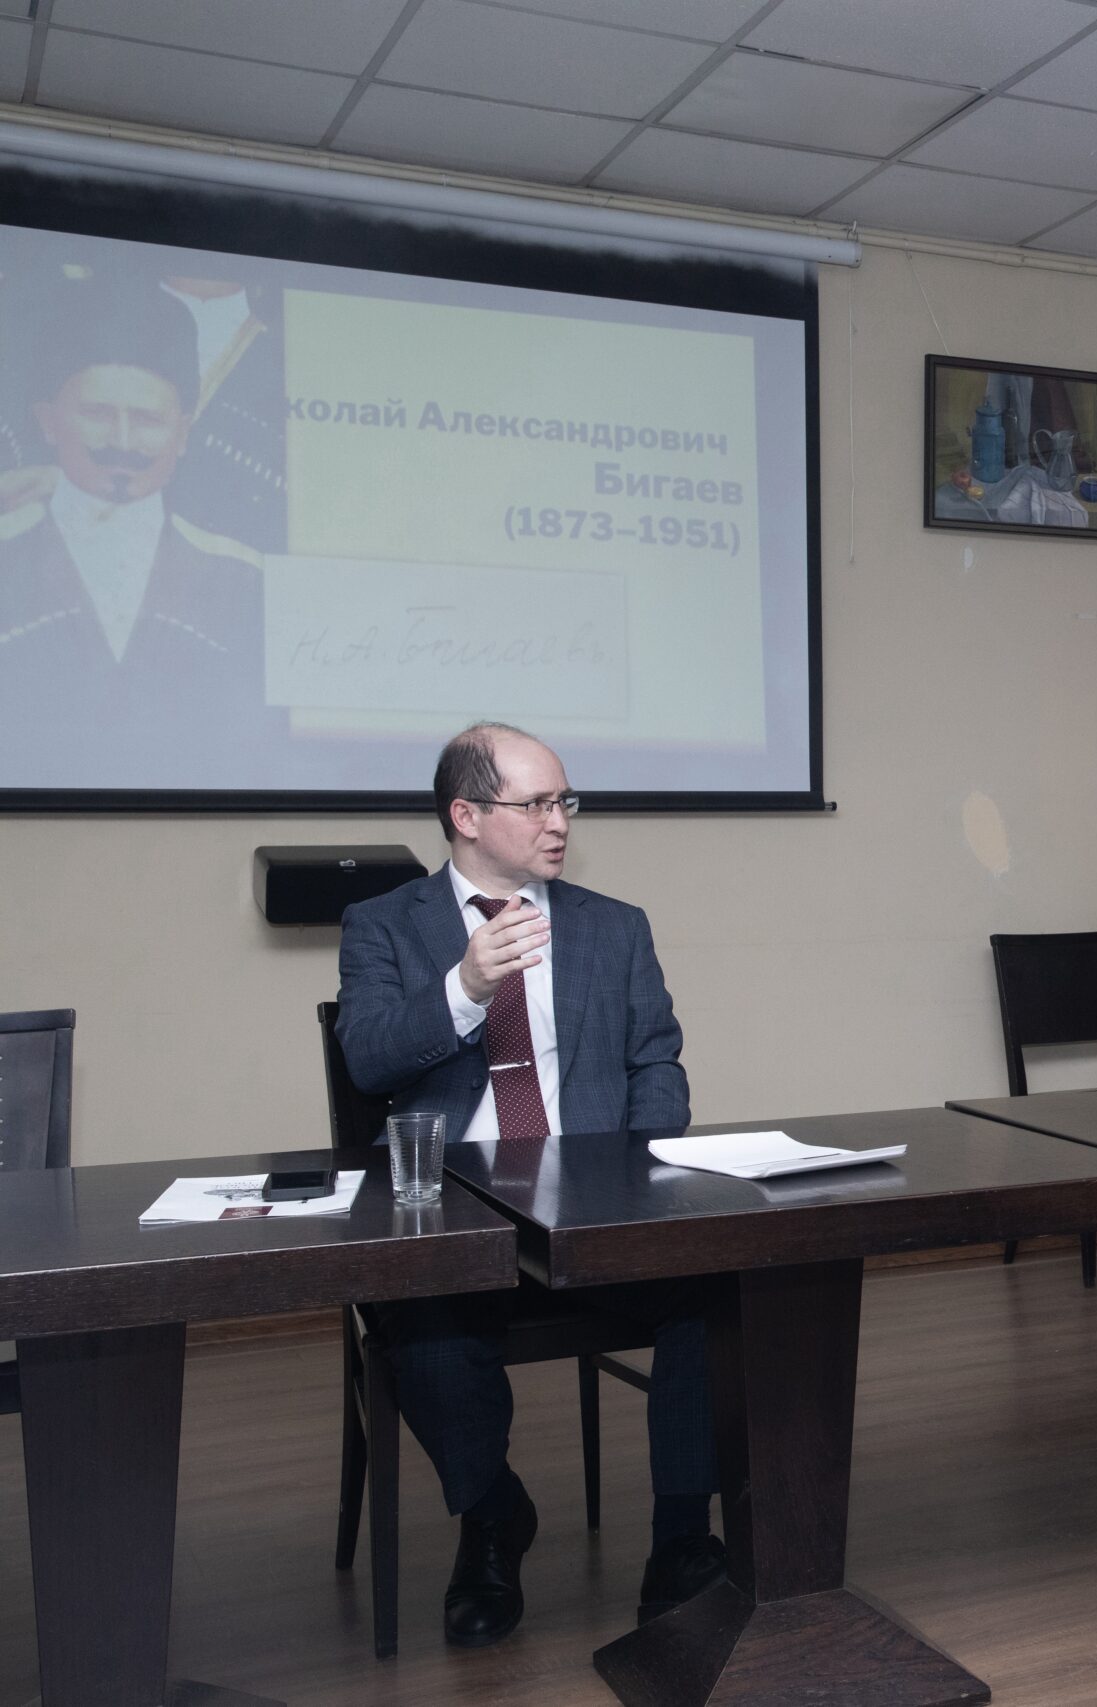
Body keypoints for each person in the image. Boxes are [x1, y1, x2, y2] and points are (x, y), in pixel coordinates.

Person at [335, 722, 724, 1647]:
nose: (560, 822)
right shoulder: (384, 924)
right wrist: (464, 988)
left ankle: (681, 1539)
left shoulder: (613, 925)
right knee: (421, 1321)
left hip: (593, 1202)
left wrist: (634, 1171)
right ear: (466, 815)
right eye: (538, 803)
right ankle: (493, 1517)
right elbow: (368, 1059)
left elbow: (656, 1063)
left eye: (565, 801)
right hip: (457, 1209)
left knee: (716, 1285)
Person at [0, 278, 273, 782]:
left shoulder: (242, 578)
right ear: (48, 422)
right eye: (98, 414)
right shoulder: (9, 553)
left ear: (183, 432)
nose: (123, 442)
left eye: (147, 419)